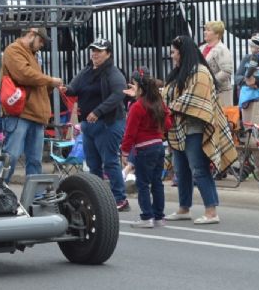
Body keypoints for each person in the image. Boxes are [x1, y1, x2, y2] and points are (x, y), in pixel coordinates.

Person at [164, 35, 236, 225]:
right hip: (179, 128)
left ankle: (211, 211)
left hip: (196, 129)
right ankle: (184, 208)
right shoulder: (181, 72)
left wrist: (168, 107)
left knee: (199, 170)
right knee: (181, 170)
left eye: (174, 52)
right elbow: (167, 94)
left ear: (183, 52)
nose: (172, 56)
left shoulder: (201, 72)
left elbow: (194, 100)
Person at [63, 38, 129, 210]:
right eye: (93, 50)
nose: (94, 53)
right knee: (93, 163)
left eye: (99, 51)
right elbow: (73, 88)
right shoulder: (86, 71)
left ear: (108, 54)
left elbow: (118, 94)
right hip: (88, 125)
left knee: (110, 161)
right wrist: (64, 89)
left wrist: (98, 111)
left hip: (109, 123)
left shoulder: (113, 73)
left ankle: (120, 198)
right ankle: (98, 197)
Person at [0, 28, 63, 183]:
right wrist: (50, 81)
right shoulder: (13, 50)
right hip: (20, 114)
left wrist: (49, 85)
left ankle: (35, 197)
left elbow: (35, 82)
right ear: (31, 34)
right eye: (40, 40)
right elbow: (24, 74)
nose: (41, 45)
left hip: (34, 114)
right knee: (11, 157)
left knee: (34, 161)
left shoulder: (31, 54)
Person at [122, 69, 172, 228]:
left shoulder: (137, 107)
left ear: (140, 87)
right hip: (158, 146)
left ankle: (146, 217)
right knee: (157, 182)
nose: (132, 88)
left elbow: (130, 132)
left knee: (143, 184)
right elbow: (168, 124)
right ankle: (159, 216)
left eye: (134, 84)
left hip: (143, 149)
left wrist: (124, 151)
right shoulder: (158, 102)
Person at [199, 21, 233, 107]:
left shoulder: (222, 49)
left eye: (208, 30)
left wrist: (210, 81)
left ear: (217, 34)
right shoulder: (202, 48)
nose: (204, 32)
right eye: (205, 29)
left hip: (221, 94)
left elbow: (226, 72)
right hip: (205, 92)